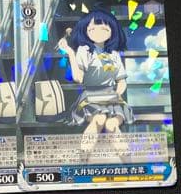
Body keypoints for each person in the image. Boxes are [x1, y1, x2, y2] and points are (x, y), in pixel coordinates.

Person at [56, 9, 133, 155]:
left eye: (104, 28)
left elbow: (122, 82)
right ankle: (84, 155)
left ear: (112, 31)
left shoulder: (114, 55)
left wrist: (116, 96)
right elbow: (78, 78)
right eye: (92, 28)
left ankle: (126, 160)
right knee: (98, 119)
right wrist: (70, 53)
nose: (98, 32)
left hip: (112, 97)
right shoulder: (84, 51)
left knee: (112, 124)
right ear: (86, 31)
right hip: (90, 96)